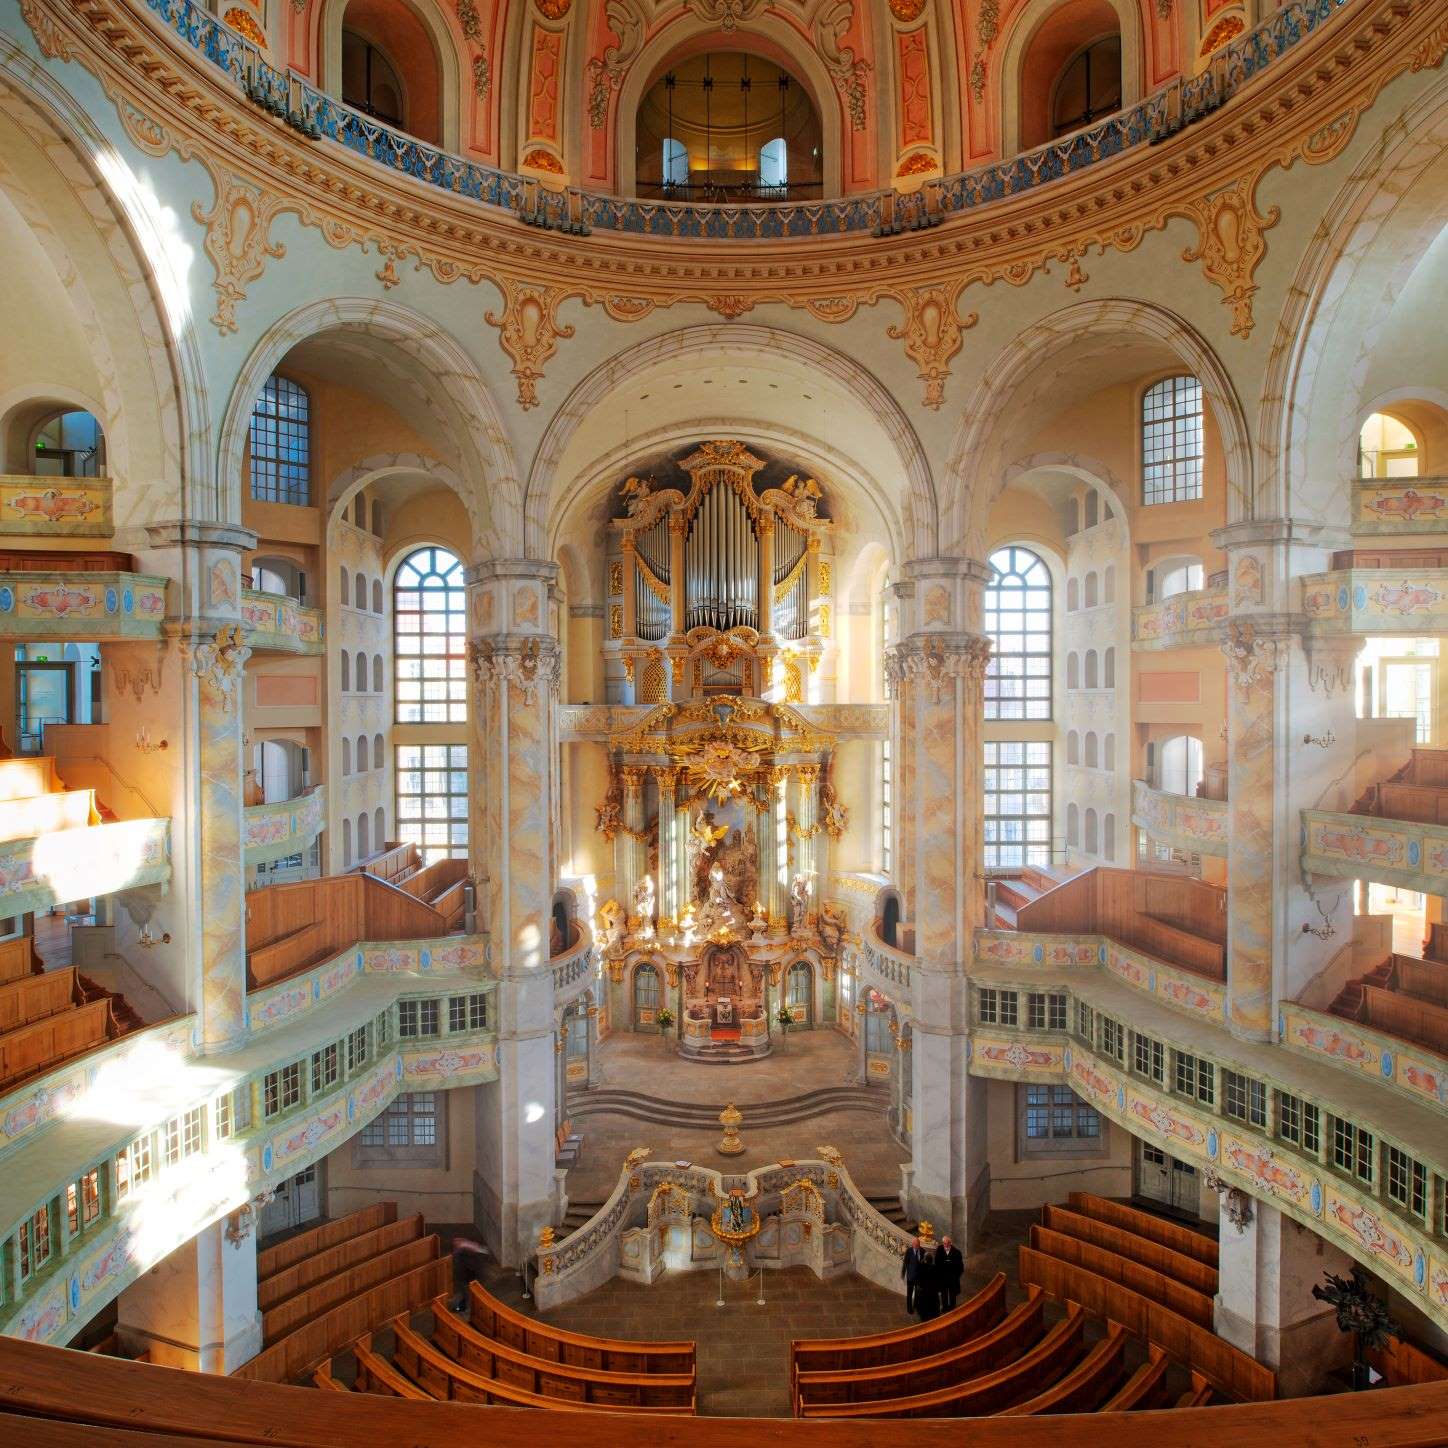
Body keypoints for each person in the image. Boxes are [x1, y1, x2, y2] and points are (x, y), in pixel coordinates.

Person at [449, 1235, 487, 1312]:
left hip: (467, 1278)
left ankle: (464, 1307)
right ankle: (463, 1306)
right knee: (465, 1294)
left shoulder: (465, 1256)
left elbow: (466, 1268)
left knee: (465, 1294)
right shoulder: (467, 1255)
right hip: (467, 1278)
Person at [900, 1235, 929, 1315]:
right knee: (909, 1293)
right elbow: (905, 1263)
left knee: (917, 1293)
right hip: (911, 1276)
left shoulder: (922, 1251)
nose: (917, 1247)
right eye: (916, 1245)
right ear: (912, 1245)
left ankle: (915, 1305)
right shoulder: (909, 1251)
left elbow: (925, 1264)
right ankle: (909, 1309)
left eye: (918, 1245)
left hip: (919, 1277)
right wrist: (903, 1273)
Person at [937, 1234, 964, 1311]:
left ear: (950, 1243)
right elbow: (937, 1264)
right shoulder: (939, 1249)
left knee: (952, 1295)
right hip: (943, 1278)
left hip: (953, 1279)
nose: (944, 1245)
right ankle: (944, 1307)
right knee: (943, 1294)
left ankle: (952, 1308)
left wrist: (955, 1277)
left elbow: (961, 1268)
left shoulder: (957, 1253)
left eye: (946, 1243)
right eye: (943, 1243)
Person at [913, 1245, 941, 1322]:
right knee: (933, 1313)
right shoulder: (935, 1269)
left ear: (925, 1260)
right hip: (932, 1294)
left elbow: (916, 1279)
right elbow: (938, 1281)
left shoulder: (920, 1267)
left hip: (923, 1294)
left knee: (923, 1314)